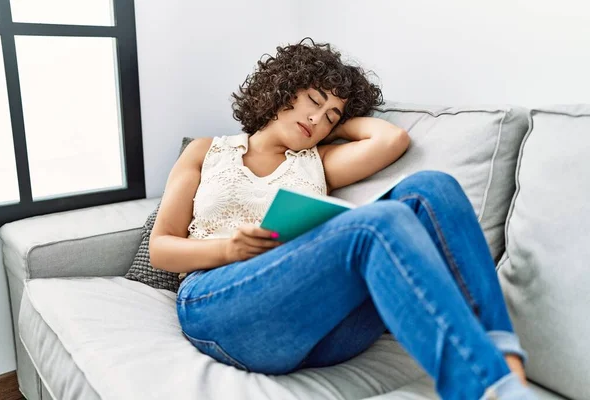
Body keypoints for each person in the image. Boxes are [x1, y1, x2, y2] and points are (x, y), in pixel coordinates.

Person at [149, 38, 537, 400]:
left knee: (432, 187)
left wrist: (334, 120)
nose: (317, 118)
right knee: (376, 223)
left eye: (331, 116)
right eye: (313, 100)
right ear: (282, 89)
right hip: (220, 307)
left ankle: (507, 365)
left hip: (320, 326)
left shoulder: (319, 162)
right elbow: (161, 248)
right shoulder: (206, 152)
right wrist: (230, 249)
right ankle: (483, 387)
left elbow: (390, 140)